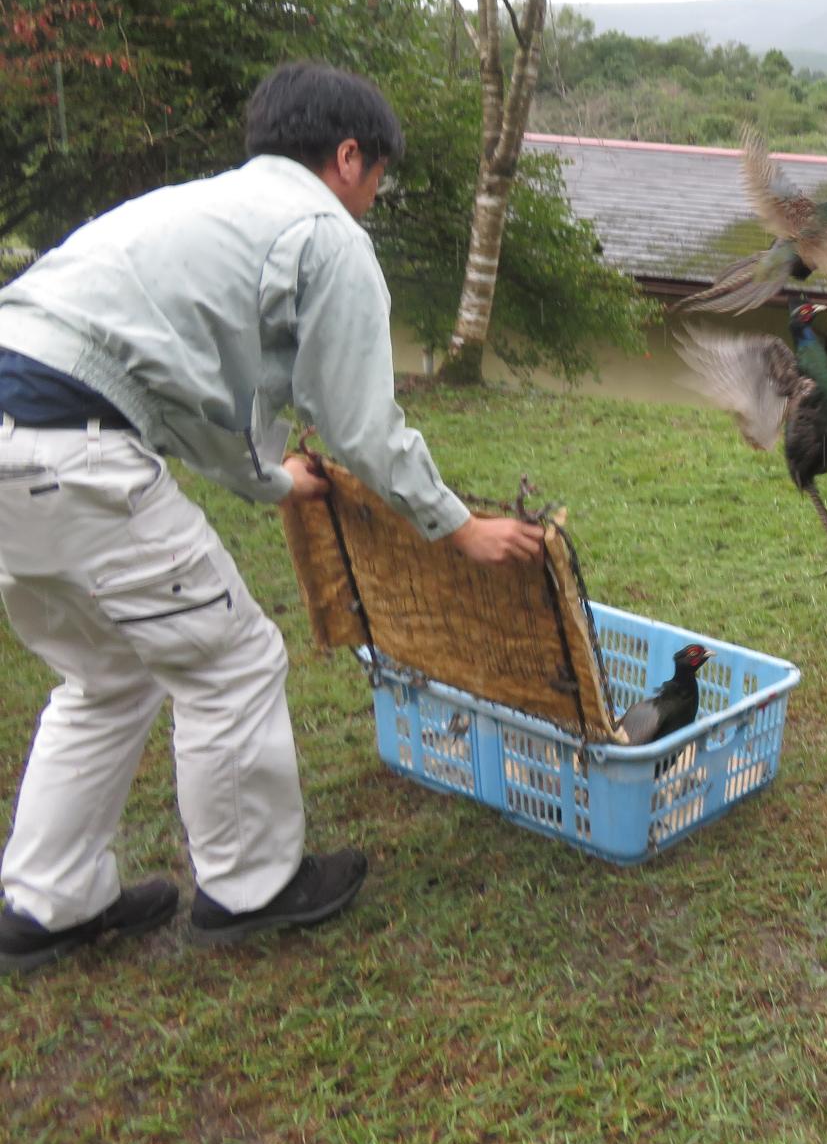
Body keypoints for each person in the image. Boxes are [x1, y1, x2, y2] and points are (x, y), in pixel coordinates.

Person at [0, 61, 544, 973]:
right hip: (72, 449)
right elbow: (365, 428)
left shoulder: (206, 210)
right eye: (378, 176)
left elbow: (189, 393)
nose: (374, 197)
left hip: (28, 431)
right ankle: (253, 886)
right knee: (232, 659)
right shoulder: (325, 234)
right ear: (346, 157)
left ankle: (48, 904)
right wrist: (459, 527)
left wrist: (276, 482)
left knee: (105, 677)